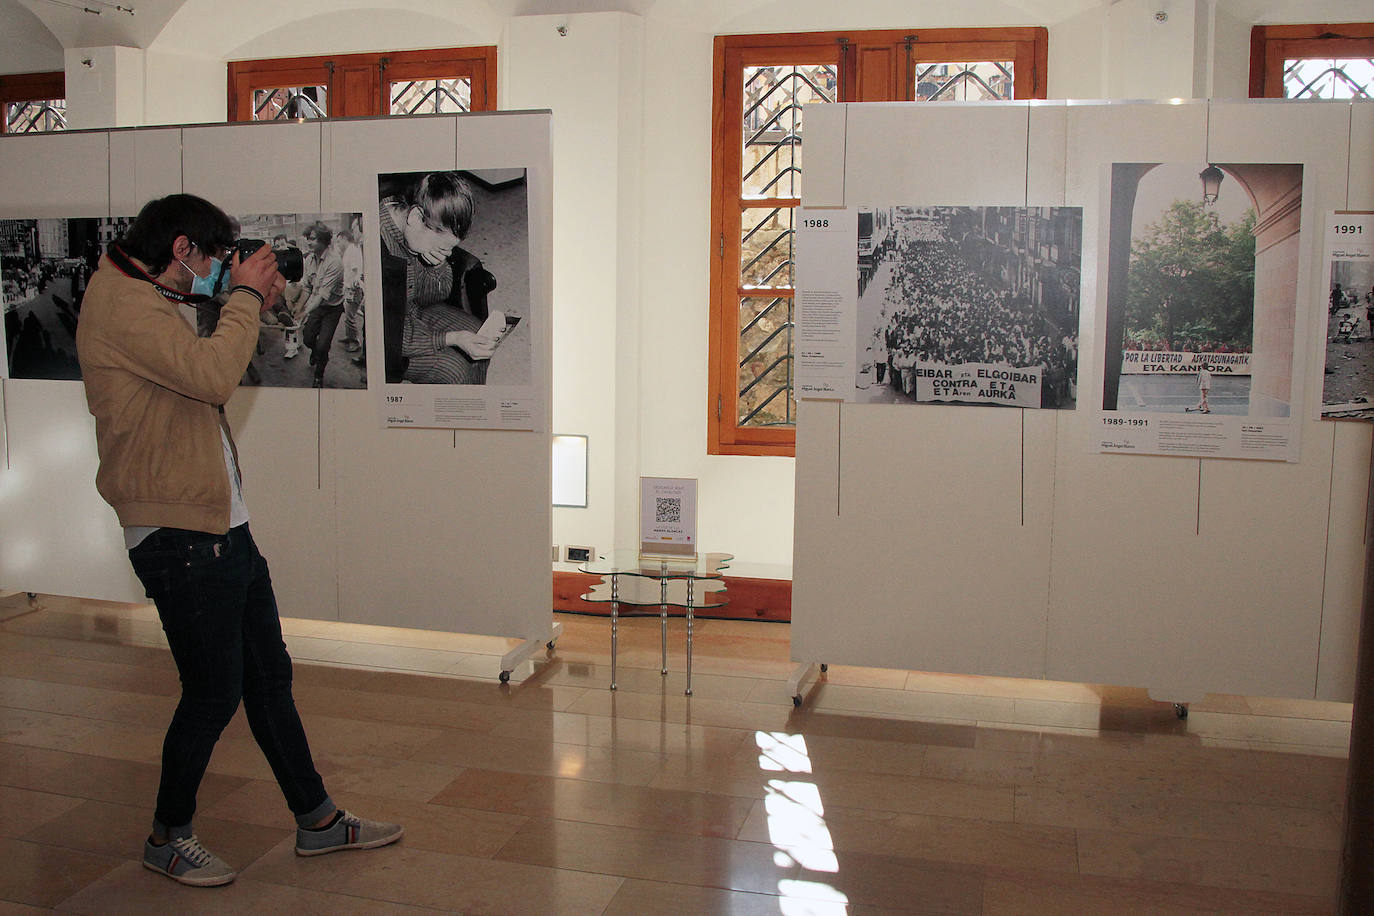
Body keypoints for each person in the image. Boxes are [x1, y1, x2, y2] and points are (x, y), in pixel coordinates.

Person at [74, 194, 403, 888]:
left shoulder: (146, 291)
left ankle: (316, 821)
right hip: (180, 532)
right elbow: (212, 374)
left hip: (220, 523)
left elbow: (200, 367)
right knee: (213, 692)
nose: (221, 271)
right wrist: (245, 295)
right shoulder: (122, 303)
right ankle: (168, 835)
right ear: (183, 249)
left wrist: (249, 294)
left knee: (268, 679)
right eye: (216, 259)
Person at [378, 171, 499, 384]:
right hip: (389, 342)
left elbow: (432, 298)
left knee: (481, 339)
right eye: (442, 246)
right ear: (416, 217)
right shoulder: (378, 254)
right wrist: (452, 339)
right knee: (456, 371)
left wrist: (436, 266)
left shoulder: (410, 222)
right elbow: (391, 337)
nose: (447, 253)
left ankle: (474, 407)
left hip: (412, 311)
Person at [298, 221, 346, 387]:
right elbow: (307, 288)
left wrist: (304, 313)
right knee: (307, 339)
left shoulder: (335, 262)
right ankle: (316, 352)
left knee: (323, 344)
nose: (308, 242)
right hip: (316, 305)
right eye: (307, 238)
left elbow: (321, 295)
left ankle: (319, 375)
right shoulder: (310, 259)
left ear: (324, 241)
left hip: (332, 308)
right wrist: (297, 309)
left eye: (312, 239)